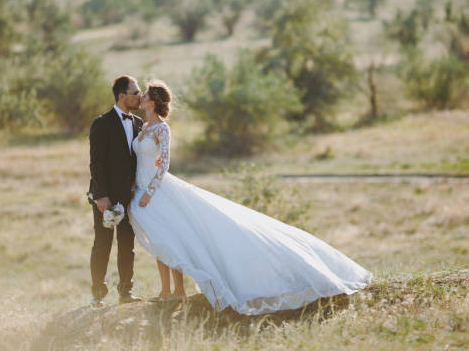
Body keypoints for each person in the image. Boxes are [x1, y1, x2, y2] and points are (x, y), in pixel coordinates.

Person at [129, 80, 372, 315]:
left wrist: (149, 192)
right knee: (162, 239)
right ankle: (167, 289)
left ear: (154, 102)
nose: (141, 98)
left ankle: (177, 290)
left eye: (145, 95)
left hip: (157, 190)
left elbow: (165, 164)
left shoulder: (161, 128)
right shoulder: (143, 127)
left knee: (172, 237)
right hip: (140, 188)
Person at [87, 75, 144, 307]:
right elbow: (96, 163)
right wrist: (101, 196)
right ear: (122, 96)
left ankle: (126, 293)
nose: (140, 96)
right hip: (105, 196)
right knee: (103, 244)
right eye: (136, 92)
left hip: (129, 196)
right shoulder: (101, 123)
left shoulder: (139, 123)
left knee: (127, 244)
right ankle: (98, 294)